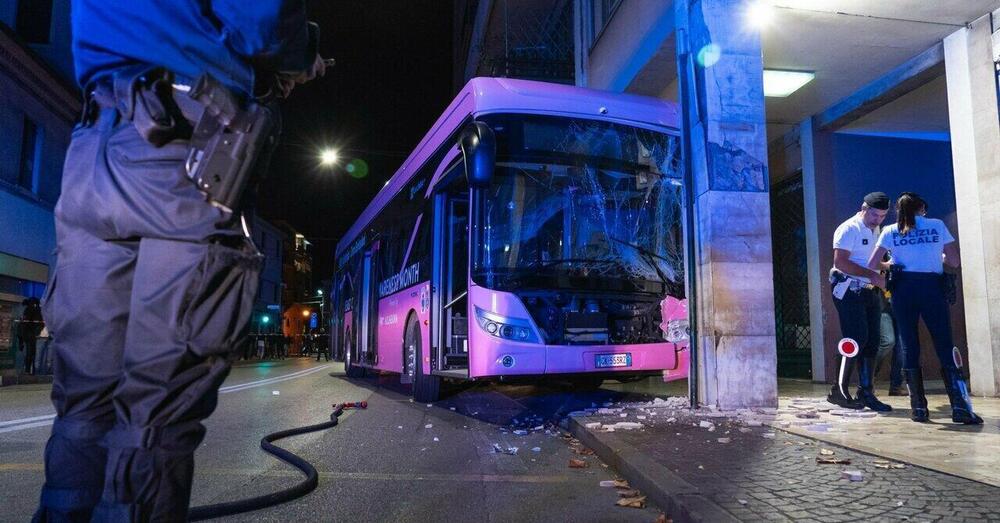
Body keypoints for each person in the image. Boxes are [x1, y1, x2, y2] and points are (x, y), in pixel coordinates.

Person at [34, 2, 326, 521]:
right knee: (155, 415)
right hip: (184, 155)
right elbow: (260, 21)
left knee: (84, 403)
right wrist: (300, 52)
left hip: (93, 151)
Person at [867, 193, 982, 424]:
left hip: (902, 290)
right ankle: (960, 407)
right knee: (944, 343)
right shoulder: (936, 225)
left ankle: (918, 409)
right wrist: (934, 255)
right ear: (921, 208)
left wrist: (890, 264)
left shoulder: (890, 230)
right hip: (931, 288)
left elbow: (872, 263)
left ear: (899, 211)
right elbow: (954, 261)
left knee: (909, 345)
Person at [827, 192, 893, 411]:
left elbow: (870, 261)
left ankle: (866, 392)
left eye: (883, 216)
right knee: (856, 338)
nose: (878, 220)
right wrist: (873, 275)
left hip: (870, 290)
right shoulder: (849, 228)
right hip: (847, 288)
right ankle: (838, 390)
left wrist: (886, 267)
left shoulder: (876, 230)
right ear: (864, 208)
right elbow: (841, 262)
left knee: (873, 340)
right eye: (875, 215)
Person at [18, 298, 43, 375]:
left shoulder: (27, 310)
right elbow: (38, 323)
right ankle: (31, 370)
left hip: (26, 335)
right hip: (33, 335)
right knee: (33, 353)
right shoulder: (36, 310)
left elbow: (22, 324)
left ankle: (27, 370)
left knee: (28, 353)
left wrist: (21, 340)